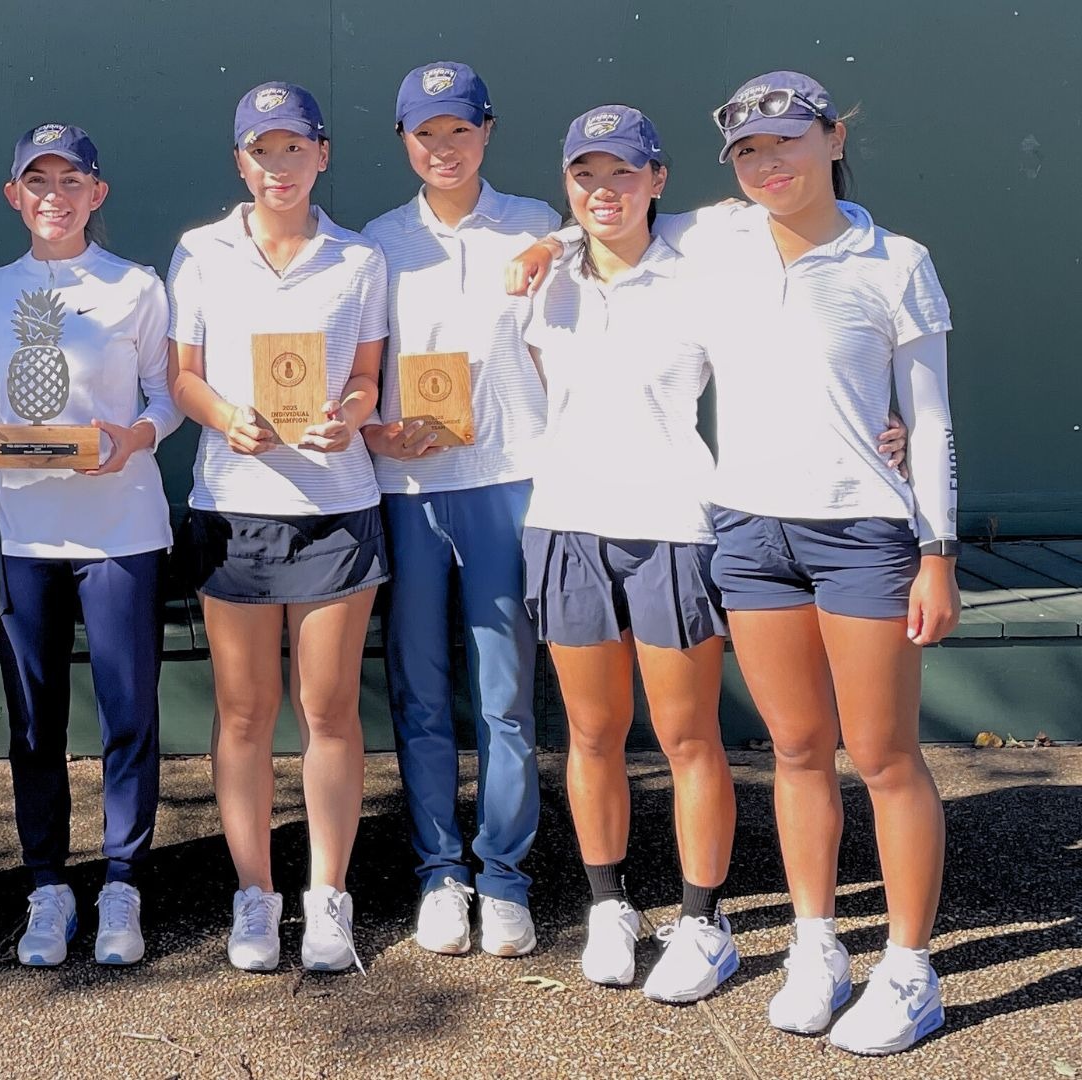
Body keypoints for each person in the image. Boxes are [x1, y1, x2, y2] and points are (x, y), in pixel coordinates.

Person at [510, 71, 957, 1055]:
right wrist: (546, 240)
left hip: (862, 536)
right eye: (750, 153)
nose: (769, 165)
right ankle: (814, 947)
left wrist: (936, 549)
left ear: (835, 137)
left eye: (787, 143)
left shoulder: (896, 261)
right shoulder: (720, 248)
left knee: (882, 756)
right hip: (751, 535)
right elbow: (606, 223)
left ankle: (911, 970)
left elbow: (929, 424)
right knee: (796, 753)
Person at [167, 82, 387, 973]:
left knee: (329, 709)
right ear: (240, 163)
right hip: (234, 511)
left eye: (294, 149)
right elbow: (184, 377)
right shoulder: (199, 253)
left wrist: (352, 414)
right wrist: (225, 417)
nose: (279, 167)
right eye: (262, 151)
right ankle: (255, 896)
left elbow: (369, 379)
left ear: (322, 155)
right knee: (245, 711)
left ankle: (327, 897)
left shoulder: (360, 260)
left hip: (337, 509)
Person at [521, 106, 737, 1002]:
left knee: (689, 736)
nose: (603, 190)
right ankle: (611, 905)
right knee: (592, 733)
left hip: (676, 525)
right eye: (585, 176)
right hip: (567, 520)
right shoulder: (543, 279)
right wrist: (556, 239)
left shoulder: (703, 268)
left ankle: (702, 920)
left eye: (623, 173)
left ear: (659, 178)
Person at [357, 61, 563, 958]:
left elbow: (622, 249)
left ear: (487, 131)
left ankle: (505, 876)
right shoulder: (375, 242)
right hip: (408, 490)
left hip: (508, 482)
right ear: (403, 141)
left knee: (506, 696)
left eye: (459, 130)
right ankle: (440, 873)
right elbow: (354, 372)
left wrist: (559, 249)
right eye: (425, 133)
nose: (444, 148)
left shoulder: (537, 226)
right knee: (420, 691)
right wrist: (376, 430)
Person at [0, 124, 179, 967]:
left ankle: (124, 880)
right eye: (38, 181)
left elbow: (167, 398)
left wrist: (132, 438)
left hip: (123, 527)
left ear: (97, 195)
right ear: (13, 196)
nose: (54, 196)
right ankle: (49, 886)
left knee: (129, 712)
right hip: (24, 531)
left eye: (72, 181)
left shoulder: (136, 286)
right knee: (35, 719)